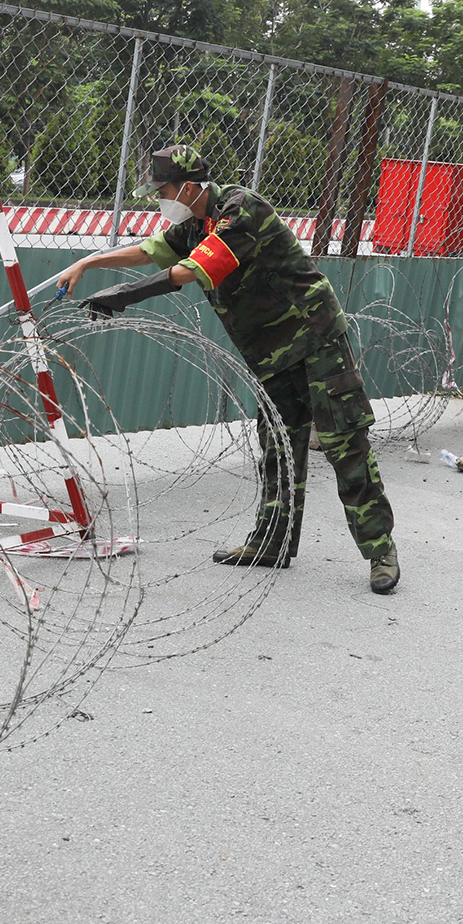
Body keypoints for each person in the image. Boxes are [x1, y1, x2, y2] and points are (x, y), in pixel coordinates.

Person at [52, 143, 399, 594]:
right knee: (277, 444)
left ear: (191, 187)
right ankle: (271, 543)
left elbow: (195, 269)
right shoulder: (193, 222)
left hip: (314, 337)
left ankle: (380, 550)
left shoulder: (241, 210)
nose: (160, 199)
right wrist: (89, 261)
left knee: (343, 442)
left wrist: (123, 295)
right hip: (271, 350)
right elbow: (149, 251)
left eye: (165, 190)